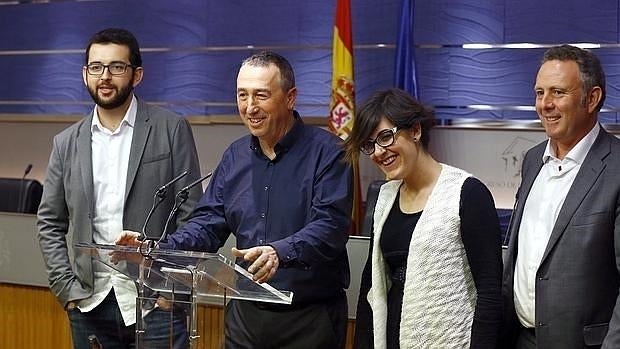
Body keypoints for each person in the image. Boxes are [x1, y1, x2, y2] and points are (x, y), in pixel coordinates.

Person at [118, 51, 353, 348]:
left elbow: (331, 226)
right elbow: (206, 225)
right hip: (245, 316)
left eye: (261, 95)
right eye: (242, 95)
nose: (250, 107)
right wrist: (155, 248)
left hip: (308, 318)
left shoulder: (329, 152)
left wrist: (279, 252)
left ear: (290, 97)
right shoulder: (235, 156)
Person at [37, 28, 202, 349]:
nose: (105, 76)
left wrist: (173, 289)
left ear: (136, 75)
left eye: (117, 67)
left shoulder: (171, 128)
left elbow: (192, 213)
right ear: (85, 74)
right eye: (96, 67)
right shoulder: (66, 143)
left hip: (155, 303)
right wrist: (66, 289)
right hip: (89, 303)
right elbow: (49, 223)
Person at [344, 88, 503, 348]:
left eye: (385, 137)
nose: (378, 152)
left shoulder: (467, 192)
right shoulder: (385, 196)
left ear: (415, 131)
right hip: (391, 332)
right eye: (369, 145)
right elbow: (369, 286)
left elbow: (489, 293)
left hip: (449, 338)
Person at [501, 45, 620, 349]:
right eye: (539, 93)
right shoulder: (530, 161)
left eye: (557, 93)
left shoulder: (617, 167)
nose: (545, 105)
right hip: (520, 339)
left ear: (591, 99)